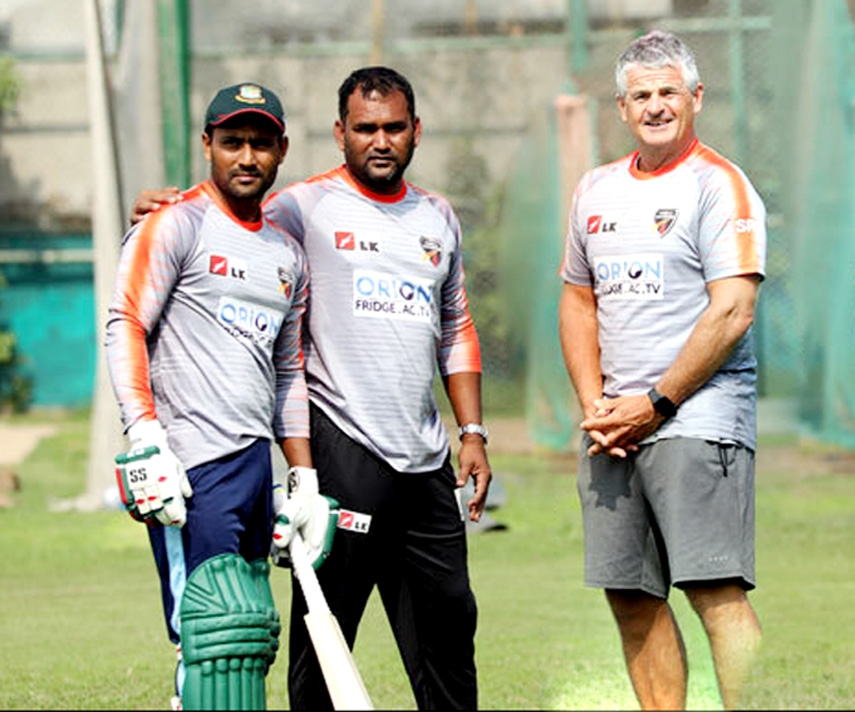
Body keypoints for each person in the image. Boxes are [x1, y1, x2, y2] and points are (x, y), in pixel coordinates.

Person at [131, 66, 492, 711]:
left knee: (449, 621)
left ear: (415, 132)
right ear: (339, 133)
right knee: (324, 629)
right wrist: (169, 206)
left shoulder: (438, 217)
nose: (379, 141)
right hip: (342, 447)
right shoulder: (302, 207)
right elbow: (227, 211)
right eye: (365, 129)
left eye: (393, 128)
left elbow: (456, 326)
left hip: (428, 457)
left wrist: (472, 432)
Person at [106, 82, 337, 711]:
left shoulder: (285, 252)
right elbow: (124, 321)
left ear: (281, 151)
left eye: (260, 144)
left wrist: (304, 478)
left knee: (247, 634)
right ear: (207, 144)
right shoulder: (174, 223)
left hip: (252, 466)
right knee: (207, 636)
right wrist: (145, 435)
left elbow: (287, 371)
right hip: (188, 468)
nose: (246, 157)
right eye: (232, 142)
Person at [558, 30, 765, 711]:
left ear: (695, 98)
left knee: (711, 589)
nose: (654, 106)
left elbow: (731, 311)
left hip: (694, 418)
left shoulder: (719, 186)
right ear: (620, 107)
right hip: (612, 426)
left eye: (668, 92)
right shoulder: (594, 188)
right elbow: (578, 301)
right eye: (640, 95)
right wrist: (598, 408)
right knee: (630, 594)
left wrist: (656, 402)